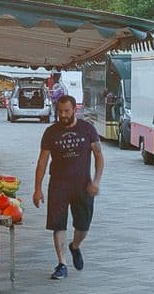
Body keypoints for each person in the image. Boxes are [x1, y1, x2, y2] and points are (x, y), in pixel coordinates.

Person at [34, 93, 103, 281]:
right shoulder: (51, 132)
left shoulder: (87, 129)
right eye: (60, 111)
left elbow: (98, 155)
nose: (63, 115)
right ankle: (62, 263)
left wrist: (96, 181)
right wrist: (37, 188)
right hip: (58, 184)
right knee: (58, 224)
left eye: (67, 111)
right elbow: (42, 161)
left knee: (83, 226)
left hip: (83, 185)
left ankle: (75, 246)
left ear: (75, 110)